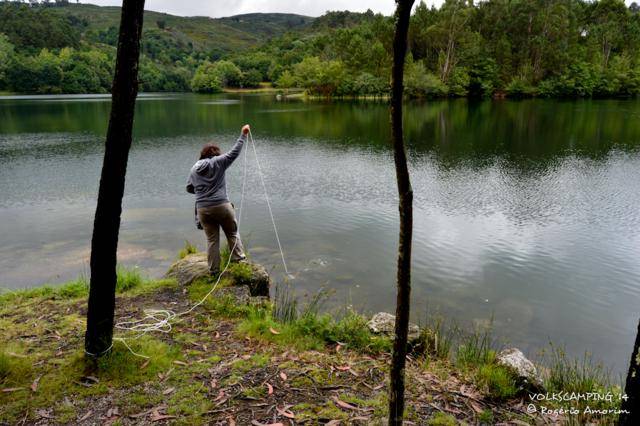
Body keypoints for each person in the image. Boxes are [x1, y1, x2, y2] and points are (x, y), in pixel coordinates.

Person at [186, 124, 249, 275]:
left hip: (203, 210)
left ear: (203, 154)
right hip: (221, 205)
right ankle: (239, 262)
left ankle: (214, 271)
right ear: (215, 154)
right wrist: (243, 134)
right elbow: (234, 152)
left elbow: (189, 188)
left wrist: (202, 191)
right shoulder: (218, 162)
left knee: (212, 240)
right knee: (232, 233)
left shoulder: (194, 168)